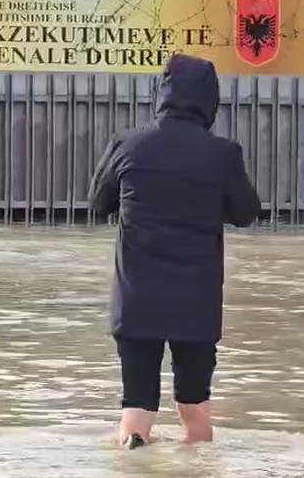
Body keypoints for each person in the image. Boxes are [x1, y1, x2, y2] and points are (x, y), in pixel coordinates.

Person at [88, 53, 261, 450]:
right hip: (196, 303)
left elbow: (98, 205)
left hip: (136, 300)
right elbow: (247, 214)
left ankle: (134, 453)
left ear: (161, 93)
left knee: (136, 403)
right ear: (209, 98)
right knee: (194, 402)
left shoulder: (126, 145)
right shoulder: (222, 154)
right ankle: (197, 466)